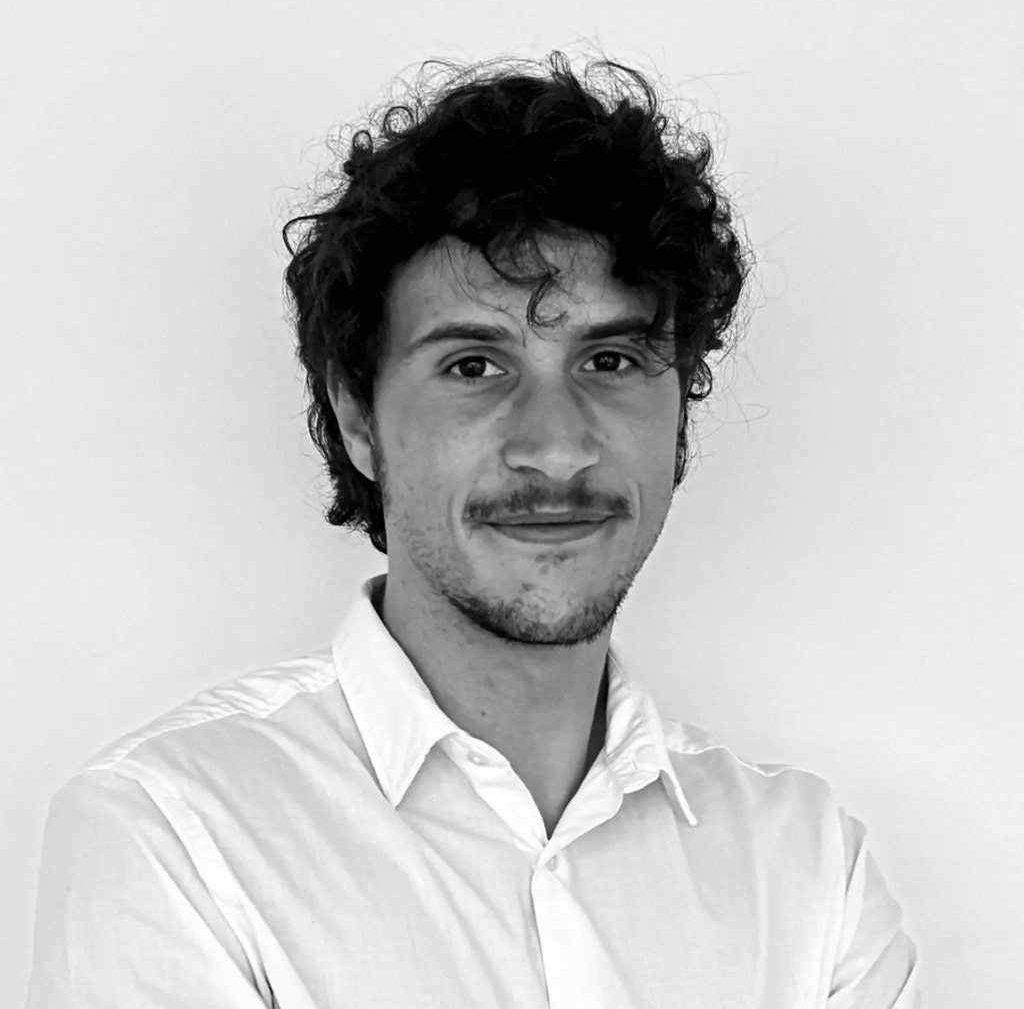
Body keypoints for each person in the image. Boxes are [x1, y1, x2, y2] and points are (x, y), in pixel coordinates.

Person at [25, 51, 922, 1007]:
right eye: (474, 367)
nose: (557, 448)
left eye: (611, 360)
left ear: (678, 412)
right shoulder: (176, 836)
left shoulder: (807, 867)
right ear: (359, 418)